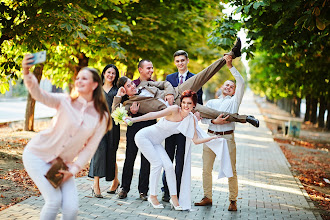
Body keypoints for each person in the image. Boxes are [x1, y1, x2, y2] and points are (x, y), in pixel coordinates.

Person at [21, 54, 111, 220]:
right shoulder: (65, 101)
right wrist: (27, 72)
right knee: (54, 201)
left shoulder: (101, 116)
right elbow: (38, 94)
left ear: (95, 84)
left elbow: (90, 148)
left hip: (61, 164)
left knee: (71, 209)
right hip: (37, 155)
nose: (79, 81)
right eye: (78, 78)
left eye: (84, 78)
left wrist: (74, 169)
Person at [112, 39, 259, 127]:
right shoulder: (128, 105)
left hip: (178, 91)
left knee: (204, 74)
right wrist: (118, 97)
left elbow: (164, 84)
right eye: (129, 86)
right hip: (179, 108)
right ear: (124, 90)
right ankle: (245, 118)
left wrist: (169, 93)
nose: (133, 86)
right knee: (213, 113)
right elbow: (114, 113)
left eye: (132, 83)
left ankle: (231, 54)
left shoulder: (144, 84)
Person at [127, 90, 233, 211]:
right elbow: (152, 115)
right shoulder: (173, 109)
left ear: (194, 105)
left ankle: (174, 198)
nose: (185, 105)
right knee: (158, 164)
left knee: (169, 167)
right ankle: (153, 196)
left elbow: (196, 140)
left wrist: (213, 138)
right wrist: (133, 120)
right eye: (183, 102)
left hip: (156, 143)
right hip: (144, 137)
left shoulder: (190, 119)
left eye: (189, 103)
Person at [195, 55, 255, 211]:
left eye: (231, 86)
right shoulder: (212, 103)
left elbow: (241, 82)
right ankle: (207, 196)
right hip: (210, 137)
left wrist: (230, 66)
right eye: (226, 85)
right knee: (206, 169)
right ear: (221, 87)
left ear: (234, 91)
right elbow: (203, 120)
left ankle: (233, 200)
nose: (228, 87)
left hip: (227, 138)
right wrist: (215, 122)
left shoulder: (234, 102)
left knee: (231, 169)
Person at [161, 50, 204, 202]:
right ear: (175, 63)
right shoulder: (169, 78)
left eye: (182, 60)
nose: (180, 63)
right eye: (177, 61)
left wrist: (198, 113)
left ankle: (177, 191)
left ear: (187, 61)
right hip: (171, 124)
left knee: (180, 160)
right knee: (168, 158)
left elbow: (200, 102)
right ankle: (166, 190)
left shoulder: (195, 78)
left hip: (185, 126)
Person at [117, 60, 156, 201]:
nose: (151, 70)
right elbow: (122, 107)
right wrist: (131, 113)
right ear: (140, 69)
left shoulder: (154, 85)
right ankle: (124, 188)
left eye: (152, 68)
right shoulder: (130, 84)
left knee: (146, 159)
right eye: (148, 68)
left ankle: (143, 191)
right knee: (130, 157)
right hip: (133, 127)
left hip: (150, 126)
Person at [88, 64, 121, 198]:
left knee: (111, 153)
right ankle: (96, 186)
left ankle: (115, 181)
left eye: (113, 73)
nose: (110, 75)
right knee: (98, 152)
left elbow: (124, 105)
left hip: (113, 126)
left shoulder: (119, 90)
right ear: (103, 73)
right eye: (109, 72)